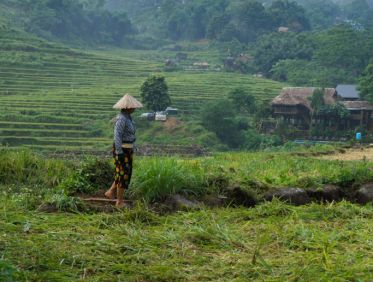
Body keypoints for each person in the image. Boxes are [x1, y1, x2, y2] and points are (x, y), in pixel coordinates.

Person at [105, 94, 143, 208]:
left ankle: (111, 192)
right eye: (133, 106)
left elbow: (130, 135)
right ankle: (119, 202)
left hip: (127, 149)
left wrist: (133, 146)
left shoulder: (128, 118)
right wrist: (119, 151)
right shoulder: (122, 119)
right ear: (128, 108)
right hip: (122, 150)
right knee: (123, 174)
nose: (135, 108)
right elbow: (117, 135)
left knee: (122, 173)